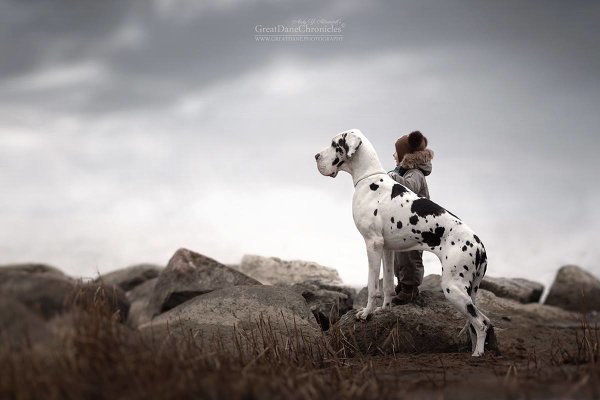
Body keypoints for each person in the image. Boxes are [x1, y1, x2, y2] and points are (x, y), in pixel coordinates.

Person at [388, 131, 434, 304]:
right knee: (399, 256)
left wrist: (393, 177)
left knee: (410, 256)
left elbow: (409, 189)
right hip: (404, 224)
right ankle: (402, 285)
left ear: (405, 155)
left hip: (415, 224)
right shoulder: (404, 171)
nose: (393, 156)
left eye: (396, 153)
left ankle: (410, 289)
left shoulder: (414, 173)